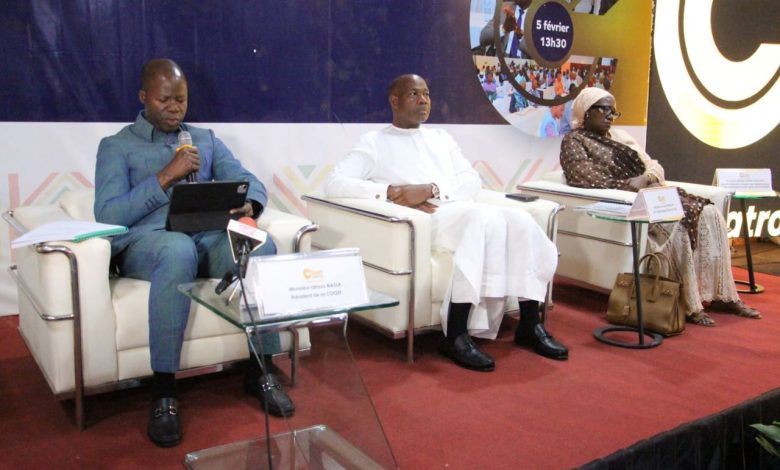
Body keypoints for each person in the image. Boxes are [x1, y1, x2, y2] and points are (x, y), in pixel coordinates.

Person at [94, 59, 293, 448]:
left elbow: (249, 180)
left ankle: (261, 370)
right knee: (176, 248)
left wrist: (249, 204)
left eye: (181, 100)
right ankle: (164, 391)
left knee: (261, 245)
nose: (174, 108)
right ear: (143, 97)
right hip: (148, 245)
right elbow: (108, 215)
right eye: (164, 99)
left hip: (204, 238)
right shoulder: (117, 146)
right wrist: (165, 176)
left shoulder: (205, 138)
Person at [324, 74, 568, 372]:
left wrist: (431, 189)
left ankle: (530, 323)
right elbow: (335, 183)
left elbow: (471, 179)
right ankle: (455, 333)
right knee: (482, 218)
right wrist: (390, 191)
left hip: (455, 206)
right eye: (414, 94)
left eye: (427, 94)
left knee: (520, 218)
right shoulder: (374, 142)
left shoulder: (441, 138)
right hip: (426, 221)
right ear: (394, 101)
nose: (423, 101)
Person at [559, 87, 761, 326]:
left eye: (614, 111)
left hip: (651, 191)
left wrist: (646, 178)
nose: (610, 116)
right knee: (677, 222)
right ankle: (689, 303)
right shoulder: (574, 140)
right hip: (628, 199)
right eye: (604, 109)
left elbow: (654, 165)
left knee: (709, 213)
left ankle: (723, 295)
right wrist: (630, 186)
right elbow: (582, 176)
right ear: (586, 111)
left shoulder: (620, 136)